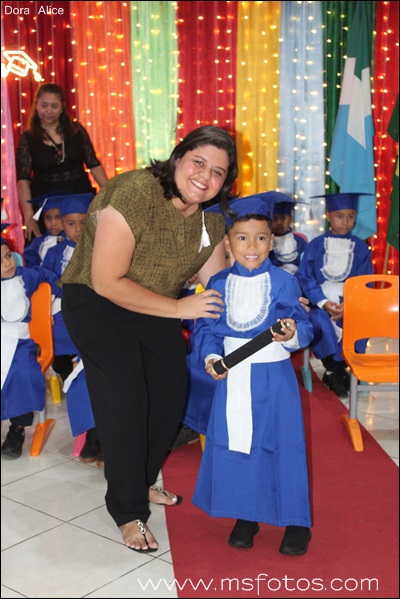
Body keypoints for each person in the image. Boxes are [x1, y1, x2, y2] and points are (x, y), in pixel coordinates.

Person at [59, 125, 309, 553]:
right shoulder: (134, 191)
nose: (205, 177)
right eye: (198, 162)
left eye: (218, 172)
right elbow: (106, 281)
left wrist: (275, 301)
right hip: (98, 303)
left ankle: (141, 480)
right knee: (126, 400)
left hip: (155, 305)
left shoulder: (211, 217)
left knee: (171, 395)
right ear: (178, 158)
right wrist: (180, 308)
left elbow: (222, 283)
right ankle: (127, 509)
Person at [190, 192, 313, 556]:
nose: (252, 246)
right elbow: (206, 329)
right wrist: (211, 356)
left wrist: (293, 333)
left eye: (261, 237)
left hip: (274, 380)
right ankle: (246, 514)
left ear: (271, 241)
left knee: (284, 445)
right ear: (228, 243)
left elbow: (302, 322)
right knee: (238, 444)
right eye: (242, 238)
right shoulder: (217, 283)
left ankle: (296, 522)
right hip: (232, 378)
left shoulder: (284, 282)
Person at [296, 192, 374, 399]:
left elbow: (365, 280)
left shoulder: (360, 247)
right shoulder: (316, 245)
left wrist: (350, 304)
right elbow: (305, 277)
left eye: (350, 216)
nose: (345, 221)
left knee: (359, 322)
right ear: (329, 216)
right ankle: (336, 371)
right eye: (340, 216)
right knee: (319, 321)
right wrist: (323, 302)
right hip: (320, 302)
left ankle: (337, 371)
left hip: (351, 302)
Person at [15, 82, 108, 241]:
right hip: (45, 201)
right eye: (44, 105)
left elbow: (93, 164)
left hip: (78, 195)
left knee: (86, 243)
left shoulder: (77, 130)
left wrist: (110, 192)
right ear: (36, 105)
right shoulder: (28, 138)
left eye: (54, 106)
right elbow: (23, 179)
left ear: (62, 107)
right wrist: (29, 215)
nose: (49, 111)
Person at [1, 239, 62, 458]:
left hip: (21, 341)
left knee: (23, 373)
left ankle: (17, 428)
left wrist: (52, 307)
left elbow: (52, 278)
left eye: (8, 256)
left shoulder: (26, 276)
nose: (7, 263)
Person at [23, 191, 65, 267]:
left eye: (58, 217)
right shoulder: (38, 243)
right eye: (48, 218)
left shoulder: (74, 240)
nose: (53, 223)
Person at [270, 200, 308, 274]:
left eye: (283, 218)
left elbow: (306, 267)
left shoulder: (300, 241)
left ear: (290, 219)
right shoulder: (265, 241)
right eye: (275, 218)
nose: (279, 223)